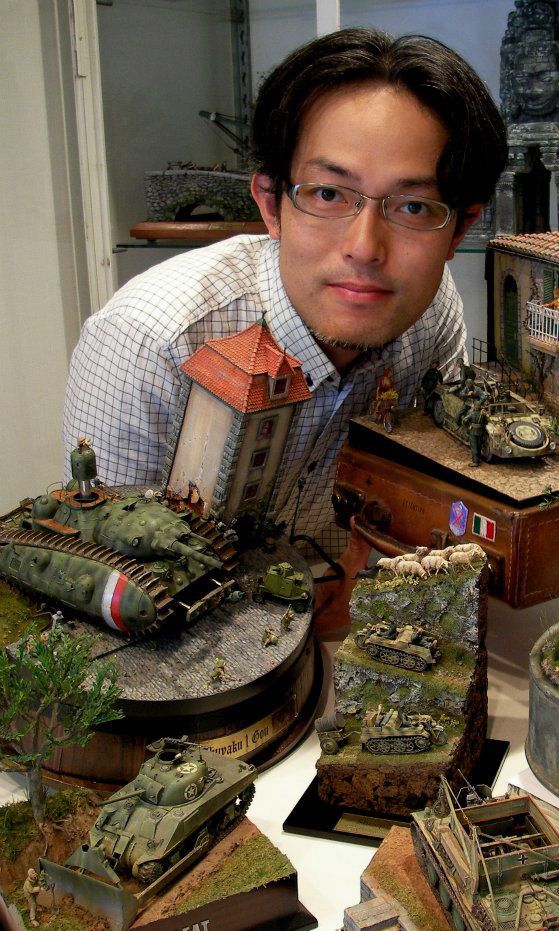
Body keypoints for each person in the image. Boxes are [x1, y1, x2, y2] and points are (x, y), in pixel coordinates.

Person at [63, 28, 507, 559]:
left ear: (460, 228)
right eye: (327, 194)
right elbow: (101, 572)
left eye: (413, 207)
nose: (365, 248)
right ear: (271, 204)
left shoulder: (428, 313)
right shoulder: (146, 343)